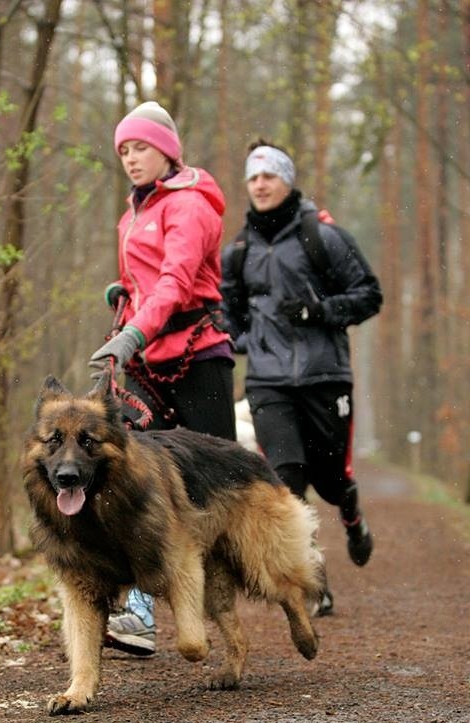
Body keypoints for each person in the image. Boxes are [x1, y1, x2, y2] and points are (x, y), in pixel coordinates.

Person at [89, 100, 236, 655]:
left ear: (167, 150)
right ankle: (139, 613)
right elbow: (144, 281)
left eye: (141, 147)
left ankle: (249, 594)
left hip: (199, 356)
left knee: (213, 485)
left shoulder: (192, 205)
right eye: (124, 149)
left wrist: (135, 333)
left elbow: (175, 282)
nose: (130, 158)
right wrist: (122, 303)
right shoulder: (131, 215)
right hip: (148, 360)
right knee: (135, 474)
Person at [220, 138, 382, 615]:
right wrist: (246, 341)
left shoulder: (321, 236)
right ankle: (316, 583)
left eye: (269, 175)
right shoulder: (240, 249)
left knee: (330, 480)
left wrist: (319, 311)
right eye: (253, 177)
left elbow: (369, 295)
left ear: (287, 180)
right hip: (268, 383)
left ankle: (350, 513)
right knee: (288, 480)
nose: (260, 184)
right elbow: (229, 314)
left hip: (325, 376)